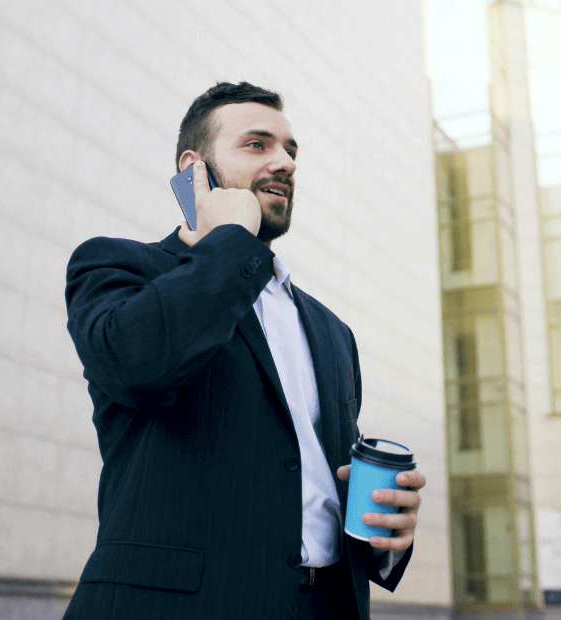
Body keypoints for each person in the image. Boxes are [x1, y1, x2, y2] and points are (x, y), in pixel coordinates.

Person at [61, 82, 427, 620]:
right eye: (257, 145)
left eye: (291, 151)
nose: (285, 163)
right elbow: (139, 366)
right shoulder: (118, 267)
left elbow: (307, 486)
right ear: (194, 169)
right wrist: (230, 237)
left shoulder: (332, 332)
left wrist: (383, 531)